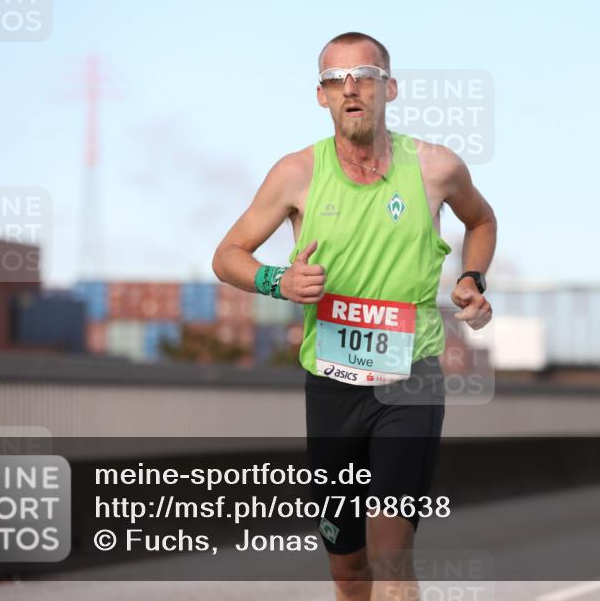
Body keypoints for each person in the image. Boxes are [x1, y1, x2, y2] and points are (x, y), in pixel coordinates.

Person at [212, 31, 497, 601]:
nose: (350, 89)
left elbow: (482, 221)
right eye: (334, 80)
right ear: (321, 97)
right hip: (332, 386)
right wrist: (279, 281)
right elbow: (227, 256)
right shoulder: (296, 173)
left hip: (408, 379)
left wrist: (472, 279)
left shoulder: (436, 167)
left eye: (363, 75)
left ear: (388, 88)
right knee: (348, 568)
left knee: (392, 561)